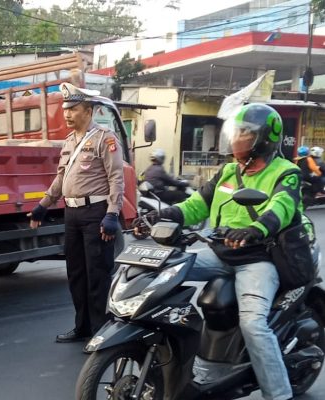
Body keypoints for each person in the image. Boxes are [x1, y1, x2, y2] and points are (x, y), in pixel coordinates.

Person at [144, 103, 300, 400]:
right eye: (236, 131)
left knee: (253, 324)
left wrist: (255, 229)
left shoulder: (286, 172)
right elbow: (195, 206)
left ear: (264, 138)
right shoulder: (228, 171)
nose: (235, 138)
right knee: (157, 272)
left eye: (244, 132)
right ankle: (187, 359)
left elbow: (282, 207)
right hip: (219, 253)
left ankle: (279, 394)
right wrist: (163, 216)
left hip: (258, 258)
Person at [28, 82, 124, 343]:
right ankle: (82, 327)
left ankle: (100, 331)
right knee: (76, 275)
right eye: (65, 109)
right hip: (72, 215)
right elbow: (61, 178)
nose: (67, 114)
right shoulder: (69, 142)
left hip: (96, 213)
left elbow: (116, 177)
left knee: (97, 275)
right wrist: (43, 206)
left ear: (89, 110)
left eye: (73, 109)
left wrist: (112, 213)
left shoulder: (105, 139)